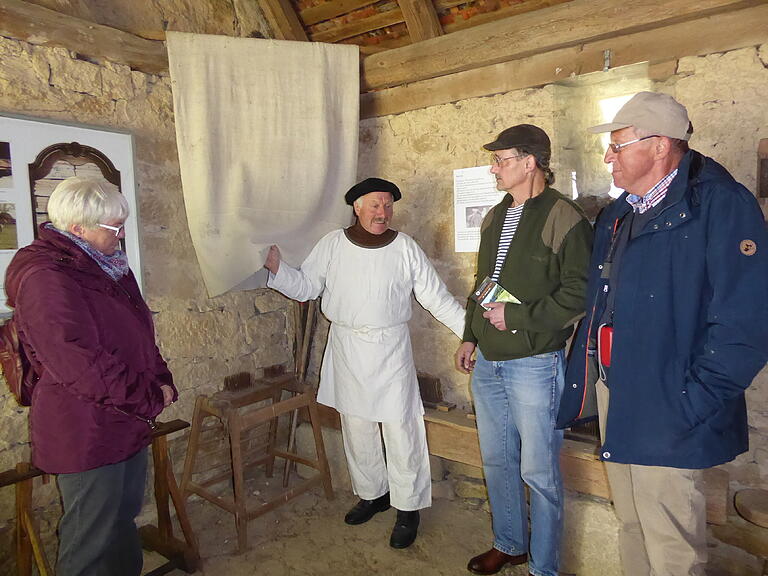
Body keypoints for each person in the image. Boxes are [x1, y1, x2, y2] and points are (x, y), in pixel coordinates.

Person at [557, 91, 768, 576]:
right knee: (631, 520)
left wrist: (691, 402)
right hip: (619, 389)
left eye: (618, 145)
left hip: (671, 398)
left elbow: (747, 324)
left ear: (659, 146)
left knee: (670, 539)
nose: (608, 157)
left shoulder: (719, 204)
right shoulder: (619, 213)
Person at [264, 177, 465, 549]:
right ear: (357, 207)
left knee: (401, 428)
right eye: (375, 204)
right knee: (357, 426)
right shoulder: (332, 245)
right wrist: (278, 271)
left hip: (390, 349)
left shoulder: (405, 247)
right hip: (346, 346)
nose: (382, 212)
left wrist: (471, 333)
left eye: (388, 205)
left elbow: (436, 298)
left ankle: (408, 507)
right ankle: (374, 494)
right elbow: (307, 287)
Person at [5, 177, 176, 576]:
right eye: (114, 227)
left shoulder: (105, 264)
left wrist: (161, 377)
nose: (122, 234)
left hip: (124, 418)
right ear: (78, 229)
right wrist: (149, 397)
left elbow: (138, 329)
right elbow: (78, 362)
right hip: (85, 429)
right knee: (90, 544)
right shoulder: (45, 277)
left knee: (121, 521)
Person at [456, 125, 592, 576]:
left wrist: (517, 318)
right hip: (490, 362)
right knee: (497, 458)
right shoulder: (496, 216)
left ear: (530, 162)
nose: (494, 168)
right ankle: (510, 542)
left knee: (538, 471)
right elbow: (484, 283)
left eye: (501, 159)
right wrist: (470, 334)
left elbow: (578, 295)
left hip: (534, 362)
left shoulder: (563, 216)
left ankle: (544, 567)